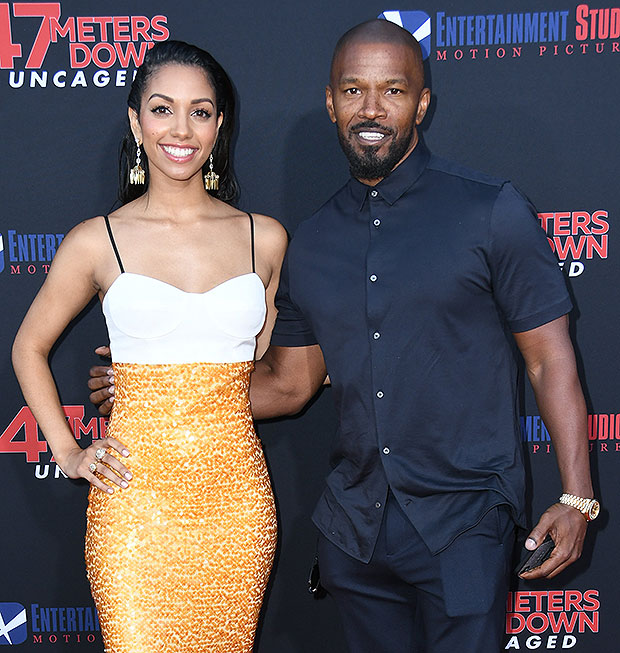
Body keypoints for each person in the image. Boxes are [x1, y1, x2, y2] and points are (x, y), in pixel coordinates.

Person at [89, 21, 597, 652]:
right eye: (354, 91)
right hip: (355, 533)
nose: (372, 109)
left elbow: (549, 361)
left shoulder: (490, 210)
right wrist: (157, 394)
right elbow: (289, 384)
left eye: (393, 91)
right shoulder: (313, 239)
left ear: (422, 104)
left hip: (464, 525)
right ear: (331, 104)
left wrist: (578, 496)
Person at [13, 40, 287, 652]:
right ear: (137, 123)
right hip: (134, 507)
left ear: (220, 125)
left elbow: (271, 368)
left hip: (235, 507)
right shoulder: (96, 241)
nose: (181, 129)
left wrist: (178, 387)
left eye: (200, 111)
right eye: (163, 109)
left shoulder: (264, 239)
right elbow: (28, 347)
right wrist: (68, 451)